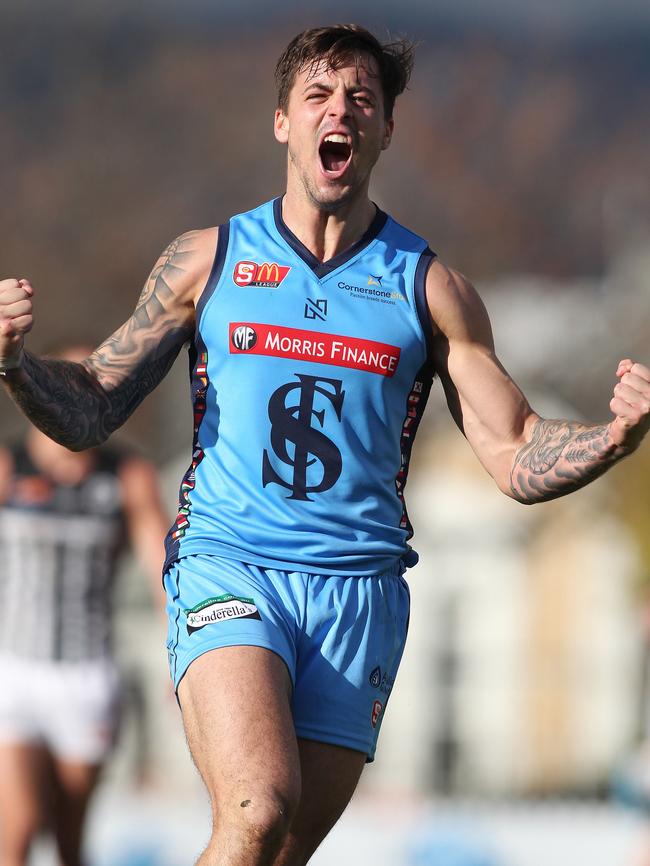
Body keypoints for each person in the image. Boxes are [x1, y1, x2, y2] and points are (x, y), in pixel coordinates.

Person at [0, 23, 648, 866]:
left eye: (362, 100)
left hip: (359, 597)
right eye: (318, 94)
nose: (339, 110)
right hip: (232, 565)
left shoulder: (432, 289)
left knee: (274, 850)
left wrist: (614, 435)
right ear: (282, 122)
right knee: (258, 805)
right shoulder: (210, 261)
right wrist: (15, 365)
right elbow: (90, 409)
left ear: (384, 131)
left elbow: (515, 448)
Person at [0, 347, 170, 866]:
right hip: (14, 671)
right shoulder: (9, 464)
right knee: (19, 827)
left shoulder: (126, 475)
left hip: (86, 674)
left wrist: (184, 653)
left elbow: (164, 571)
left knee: (69, 838)